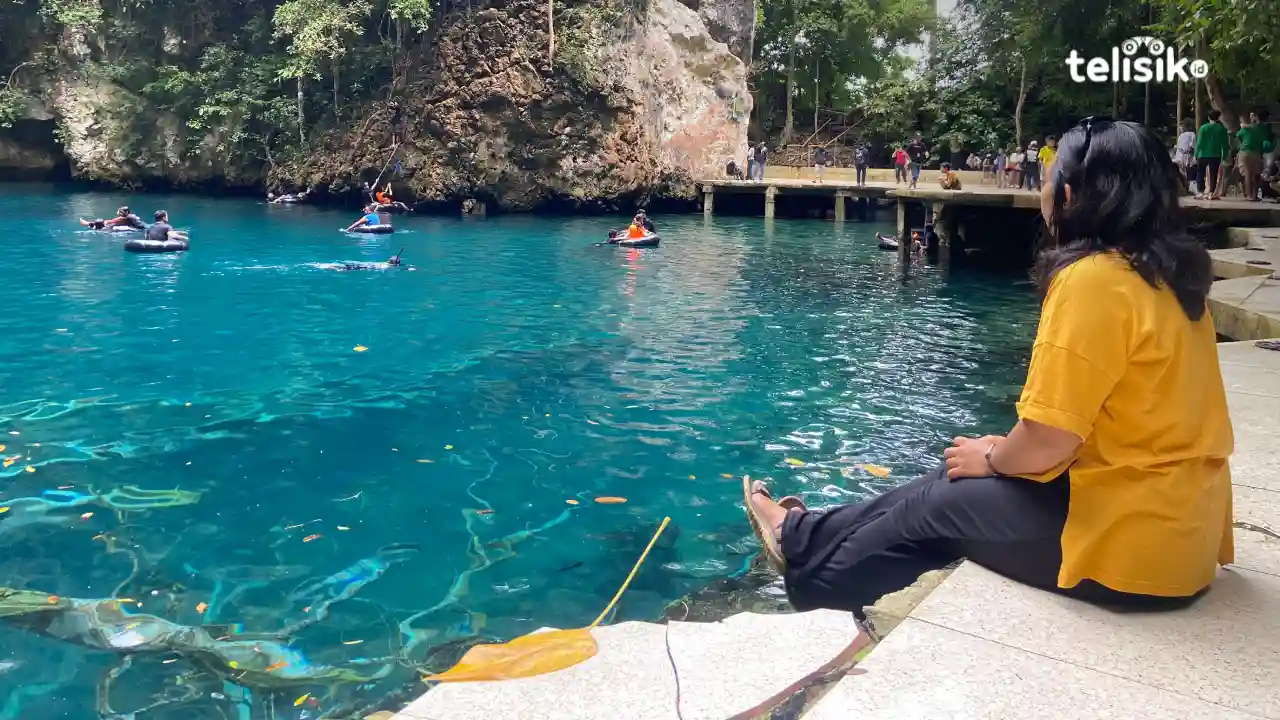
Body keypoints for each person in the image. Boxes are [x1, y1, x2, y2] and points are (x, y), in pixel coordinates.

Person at [743, 118, 1231, 630]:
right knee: (954, 472)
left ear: (1066, 193)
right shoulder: (1171, 278)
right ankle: (800, 532)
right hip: (1179, 533)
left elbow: (1048, 438)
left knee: (940, 502)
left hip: (1132, 552)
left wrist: (998, 455)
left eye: (1047, 180)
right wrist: (997, 456)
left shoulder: (1095, 280)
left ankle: (813, 580)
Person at [1195, 110, 1230, 200]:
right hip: (1215, 154)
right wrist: (1225, 155)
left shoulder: (1203, 128)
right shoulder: (1222, 129)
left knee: (1200, 172)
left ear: (1208, 118)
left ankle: (1200, 192)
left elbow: (1200, 142)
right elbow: (1225, 144)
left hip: (1203, 154)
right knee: (1213, 173)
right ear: (1218, 118)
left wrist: (1196, 154)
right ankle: (1211, 193)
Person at [1236, 111, 1268, 202]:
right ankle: (1254, 194)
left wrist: (1240, 147)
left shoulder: (1244, 129)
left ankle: (1250, 195)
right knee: (1256, 174)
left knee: (1248, 174)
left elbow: (1237, 137)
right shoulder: (1260, 128)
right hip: (1256, 153)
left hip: (1245, 152)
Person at [1174, 121, 1197, 192]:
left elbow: (1193, 145)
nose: (1181, 129)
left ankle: (1188, 187)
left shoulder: (1191, 134)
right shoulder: (1181, 136)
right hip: (1182, 154)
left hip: (1187, 154)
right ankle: (1185, 187)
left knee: (1188, 171)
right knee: (1183, 172)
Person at [80, 206, 146, 231]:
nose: (118, 212)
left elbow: (111, 221)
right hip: (140, 228)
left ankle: (88, 223)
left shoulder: (125, 218)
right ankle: (90, 224)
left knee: (100, 222)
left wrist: (105, 222)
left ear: (125, 212)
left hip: (137, 229)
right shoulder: (132, 216)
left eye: (120, 211)